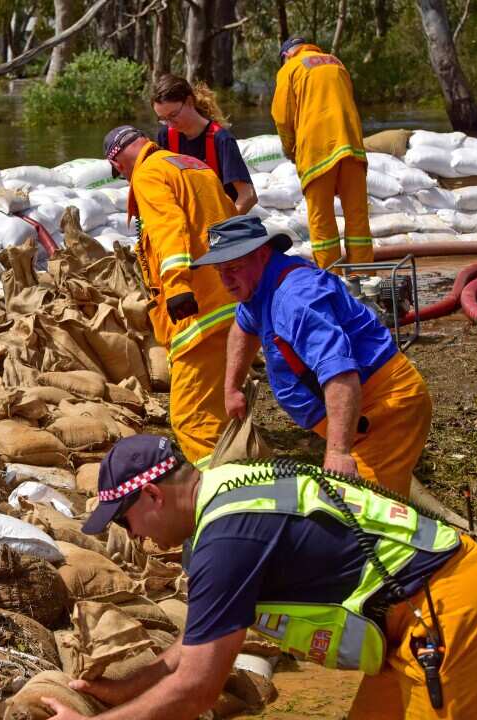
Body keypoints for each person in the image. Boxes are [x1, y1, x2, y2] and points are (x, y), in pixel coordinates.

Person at [40, 434, 477, 720]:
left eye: (125, 521)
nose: (136, 538)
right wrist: (118, 694)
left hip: (456, 617)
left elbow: (197, 687)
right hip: (420, 620)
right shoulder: (224, 496)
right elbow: (192, 649)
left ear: (153, 497)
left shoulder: (227, 539)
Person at [191, 215, 431, 496]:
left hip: (385, 409)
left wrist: (339, 453)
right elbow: (244, 326)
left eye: (233, 268)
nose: (226, 280)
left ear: (262, 254)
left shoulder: (295, 298)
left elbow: (340, 372)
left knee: (371, 517)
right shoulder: (258, 286)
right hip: (355, 415)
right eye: (219, 271)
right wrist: (231, 387)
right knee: (360, 512)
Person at [104, 125, 237, 466]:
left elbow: (169, 230)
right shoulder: (190, 165)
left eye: (118, 168)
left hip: (197, 312)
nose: (122, 174)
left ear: (119, 159)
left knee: (190, 418)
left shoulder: (148, 174)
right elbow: (229, 220)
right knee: (220, 408)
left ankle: (223, 492)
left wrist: (177, 287)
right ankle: (251, 472)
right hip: (230, 301)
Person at [272, 37, 372, 270]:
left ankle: (332, 278)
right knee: (357, 218)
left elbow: (282, 117)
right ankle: (365, 278)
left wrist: (290, 149)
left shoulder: (291, 68)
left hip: (318, 151)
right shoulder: (336, 62)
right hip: (352, 146)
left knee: (322, 220)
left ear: (286, 55)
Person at [151, 74, 256, 215]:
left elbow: (248, 195)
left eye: (173, 115)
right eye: (163, 119)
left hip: (219, 219)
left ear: (189, 102)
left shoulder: (222, 140)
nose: (170, 123)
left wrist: (224, 227)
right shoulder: (165, 136)